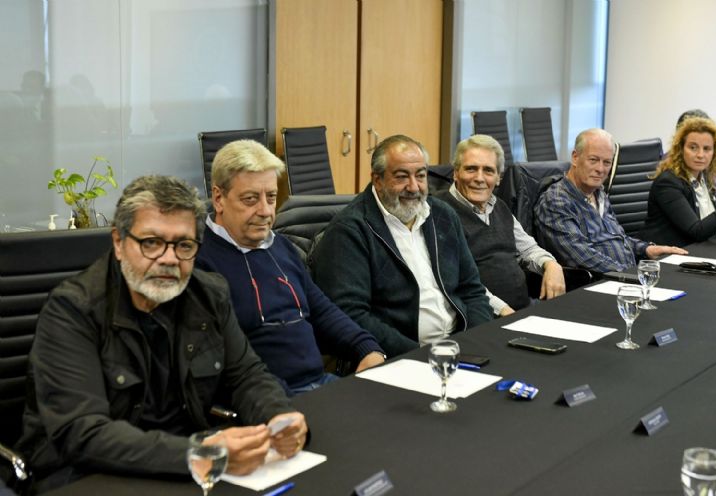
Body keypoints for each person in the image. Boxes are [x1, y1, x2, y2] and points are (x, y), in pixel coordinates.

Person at [16, 176, 307, 492]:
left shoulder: (209, 294)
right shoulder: (72, 310)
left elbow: (247, 376)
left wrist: (280, 418)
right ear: (119, 242)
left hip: (181, 463)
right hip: (84, 474)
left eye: (184, 245)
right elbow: (82, 433)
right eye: (152, 243)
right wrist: (198, 454)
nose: (169, 259)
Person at [195, 140, 385, 394]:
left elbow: (322, 310)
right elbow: (223, 360)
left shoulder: (280, 246)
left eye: (271, 197)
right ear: (219, 198)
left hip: (320, 383)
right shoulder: (200, 261)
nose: (265, 211)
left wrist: (367, 348)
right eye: (250, 199)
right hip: (268, 397)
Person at [311, 134, 492, 357]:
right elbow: (349, 314)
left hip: (459, 348)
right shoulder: (349, 230)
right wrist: (420, 355)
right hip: (399, 356)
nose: (414, 187)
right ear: (377, 180)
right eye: (402, 177)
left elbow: (472, 290)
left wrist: (476, 342)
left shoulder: (442, 215)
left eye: (420, 175)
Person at [434, 134, 565, 316]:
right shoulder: (440, 211)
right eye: (471, 169)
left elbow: (528, 249)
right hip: (483, 316)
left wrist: (551, 265)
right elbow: (460, 281)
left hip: (523, 308)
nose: (479, 178)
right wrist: (504, 311)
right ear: (456, 173)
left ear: (498, 178)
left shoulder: (499, 206)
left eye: (488, 171)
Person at [534, 128, 687, 273]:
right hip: (598, 283)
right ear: (575, 157)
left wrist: (647, 249)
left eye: (607, 162)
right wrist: (632, 274)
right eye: (593, 160)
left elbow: (617, 239)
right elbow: (582, 257)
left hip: (625, 276)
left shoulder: (598, 193)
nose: (600, 169)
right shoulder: (556, 201)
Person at [642, 117, 716, 246]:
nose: (700, 155)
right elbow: (697, 231)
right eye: (693, 148)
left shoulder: (708, 178)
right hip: (667, 253)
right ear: (680, 149)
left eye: (707, 149)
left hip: (699, 250)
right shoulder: (668, 183)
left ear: (714, 152)